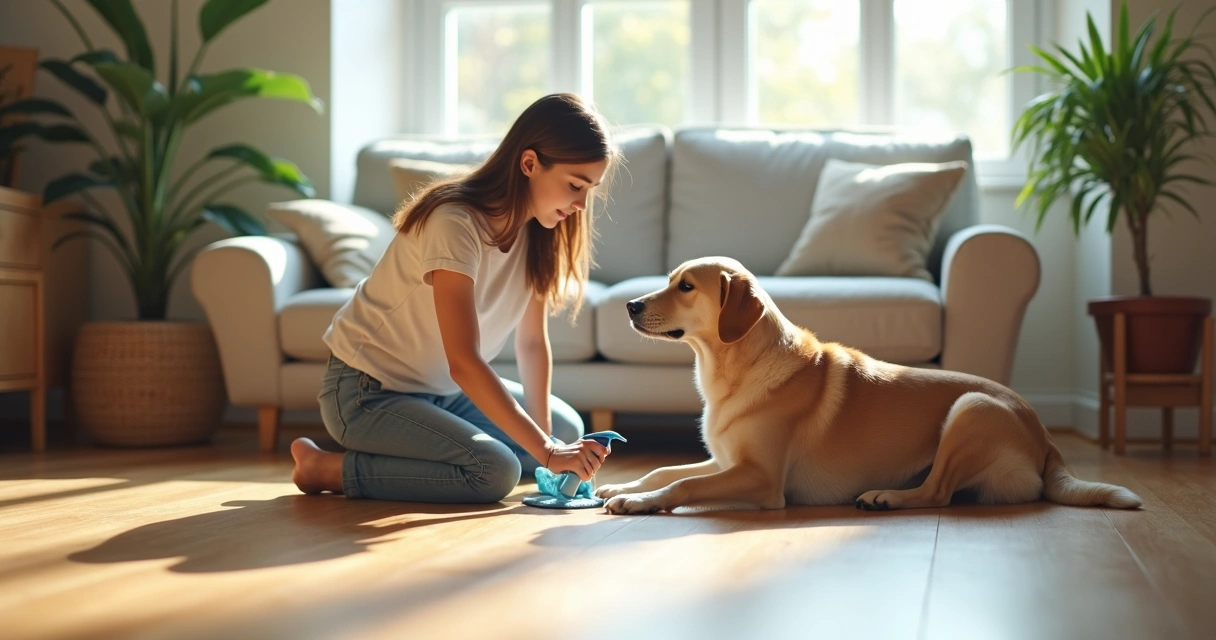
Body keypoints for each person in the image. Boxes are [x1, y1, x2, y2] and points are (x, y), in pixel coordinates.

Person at [290, 93, 621, 503]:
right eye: (575, 185)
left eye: (590, 189)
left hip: (444, 394)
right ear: (529, 164)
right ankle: (326, 468)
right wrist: (548, 453)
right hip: (366, 392)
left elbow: (533, 343)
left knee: (566, 429)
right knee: (495, 471)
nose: (581, 204)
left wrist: (550, 445)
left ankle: (422, 452)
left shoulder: (539, 232)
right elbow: (463, 360)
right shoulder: (454, 222)